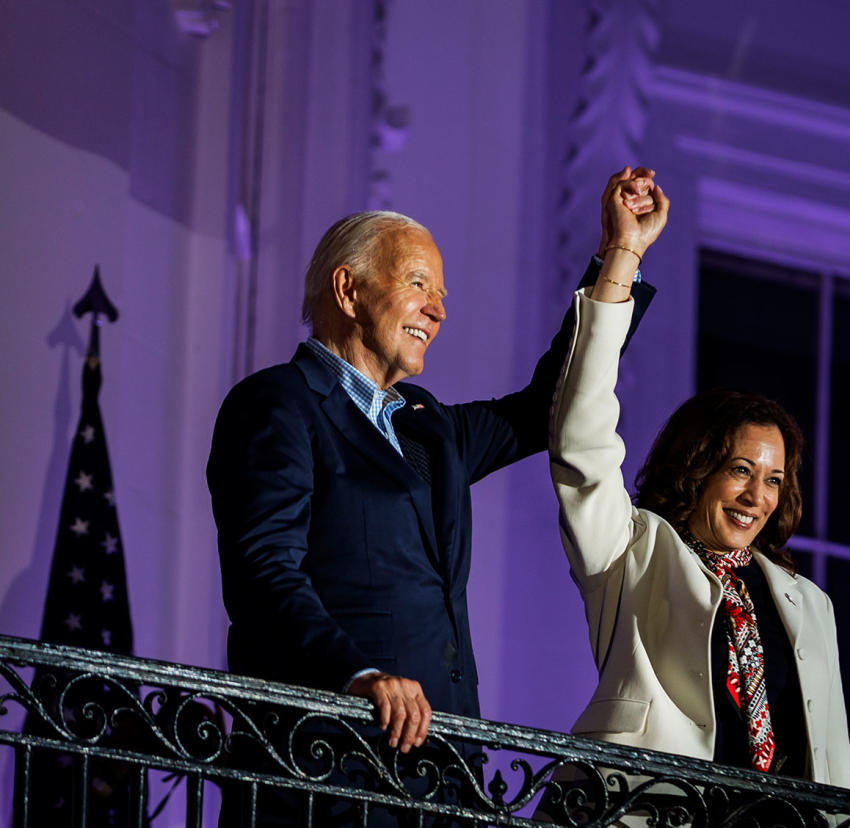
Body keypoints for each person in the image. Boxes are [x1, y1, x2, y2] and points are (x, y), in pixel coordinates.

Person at [206, 168, 661, 824]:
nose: (438, 310)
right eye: (418, 285)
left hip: (439, 776)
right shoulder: (279, 404)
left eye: (441, 295)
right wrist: (356, 676)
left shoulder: (428, 424)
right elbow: (266, 575)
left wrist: (622, 255)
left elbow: (544, 408)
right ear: (349, 288)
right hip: (326, 769)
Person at [545, 183, 850, 816]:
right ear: (696, 467)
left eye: (773, 480)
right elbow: (581, 438)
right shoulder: (632, 555)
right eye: (740, 470)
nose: (757, 497)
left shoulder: (810, 607)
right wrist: (621, 259)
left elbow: (835, 766)